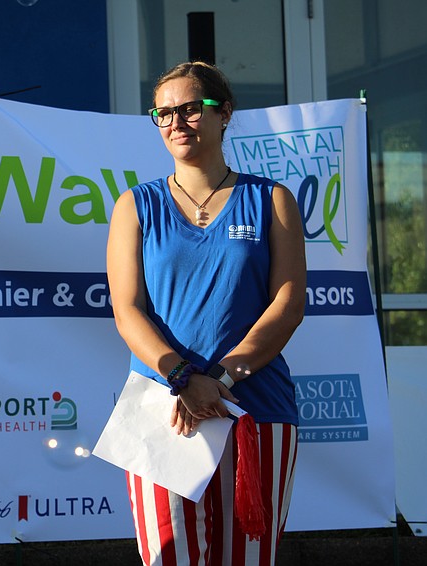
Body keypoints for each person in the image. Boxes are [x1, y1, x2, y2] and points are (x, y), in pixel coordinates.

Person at [106, 61, 306, 565]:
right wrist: (183, 377)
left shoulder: (272, 199)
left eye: (191, 108)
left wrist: (219, 378)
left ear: (225, 114)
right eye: (164, 113)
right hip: (165, 411)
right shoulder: (134, 205)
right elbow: (127, 310)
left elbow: (288, 304)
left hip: (256, 409)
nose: (176, 122)